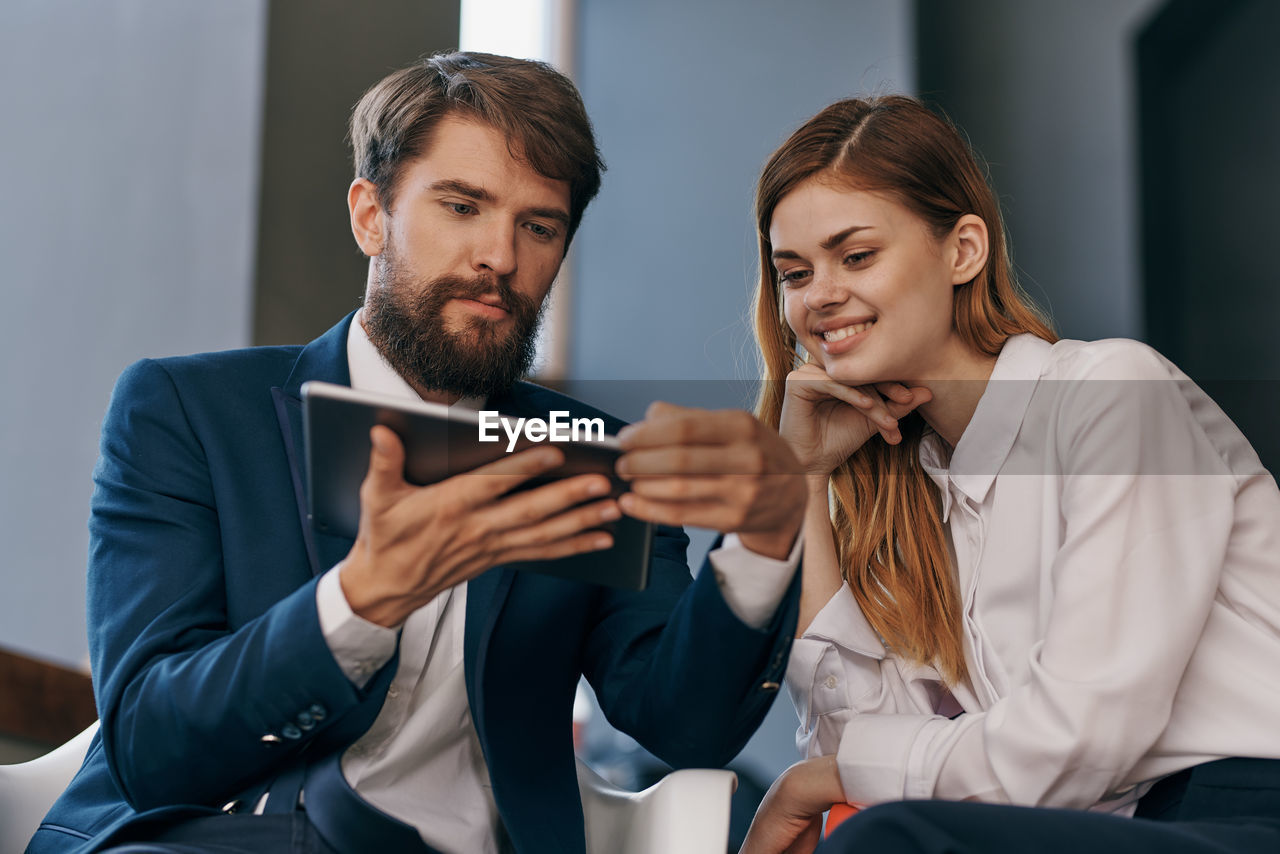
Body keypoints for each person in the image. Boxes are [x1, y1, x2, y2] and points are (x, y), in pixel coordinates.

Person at [29, 52, 810, 854]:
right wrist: (361, 600)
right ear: (371, 215)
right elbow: (149, 745)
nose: (499, 257)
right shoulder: (188, 413)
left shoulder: (592, 457)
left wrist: (764, 543)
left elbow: (686, 728)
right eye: (462, 206)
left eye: (538, 227)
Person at [737, 95, 1280, 853]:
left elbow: (1076, 742)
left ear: (963, 251)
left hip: (1242, 813)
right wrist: (803, 478)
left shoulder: (1110, 393)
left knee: (886, 842)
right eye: (795, 272)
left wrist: (818, 781)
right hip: (1088, 829)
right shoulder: (909, 484)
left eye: (855, 256)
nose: (819, 296)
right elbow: (865, 741)